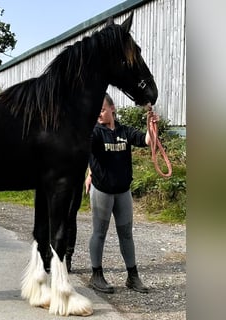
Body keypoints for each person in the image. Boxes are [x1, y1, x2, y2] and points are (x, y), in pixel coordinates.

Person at [85, 93, 158, 294]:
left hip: (123, 192)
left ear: (112, 108)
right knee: (99, 234)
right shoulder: (94, 133)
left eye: (101, 109)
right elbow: (82, 146)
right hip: (102, 191)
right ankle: (96, 275)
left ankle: (132, 276)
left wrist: (152, 127)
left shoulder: (125, 131)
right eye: (96, 110)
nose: (99, 114)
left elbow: (146, 140)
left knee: (126, 234)